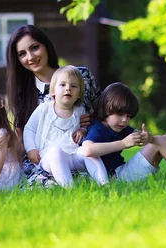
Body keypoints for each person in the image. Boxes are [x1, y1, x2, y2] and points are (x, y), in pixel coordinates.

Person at [6, 24, 101, 187]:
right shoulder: (23, 95)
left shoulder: (81, 76)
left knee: (93, 171)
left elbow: (104, 112)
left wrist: (88, 124)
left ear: (46, 46)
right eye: (22, 54)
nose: (30, 57)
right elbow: (27, 137)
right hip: (45, 160)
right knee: (45, 186)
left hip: (83, 152)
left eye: (34, 48)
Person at [81, 82, 166, 182]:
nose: (124, 120)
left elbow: (145, 138)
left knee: (163, 139)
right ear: (106, 109)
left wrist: (148, 137)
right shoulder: (98, 128)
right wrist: (123, 143)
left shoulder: (119, 127)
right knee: (158, 143)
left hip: (122, 172)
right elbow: (87, 150)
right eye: (120, 114)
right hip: (116, 178)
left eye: (128, 116)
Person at [23, 66, 108, 187]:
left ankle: (104, 183)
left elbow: (84, 127)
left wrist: (82, 131)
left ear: (79, 94)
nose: (68, 88)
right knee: (56, 152)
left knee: (88, 152)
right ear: (53, 90)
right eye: (62, 85)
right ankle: (69, 187)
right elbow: (29, 129)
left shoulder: (80, 110)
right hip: (49, 157)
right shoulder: (44, 109)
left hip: (72, 154)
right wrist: (31, 149)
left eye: (73, 86)